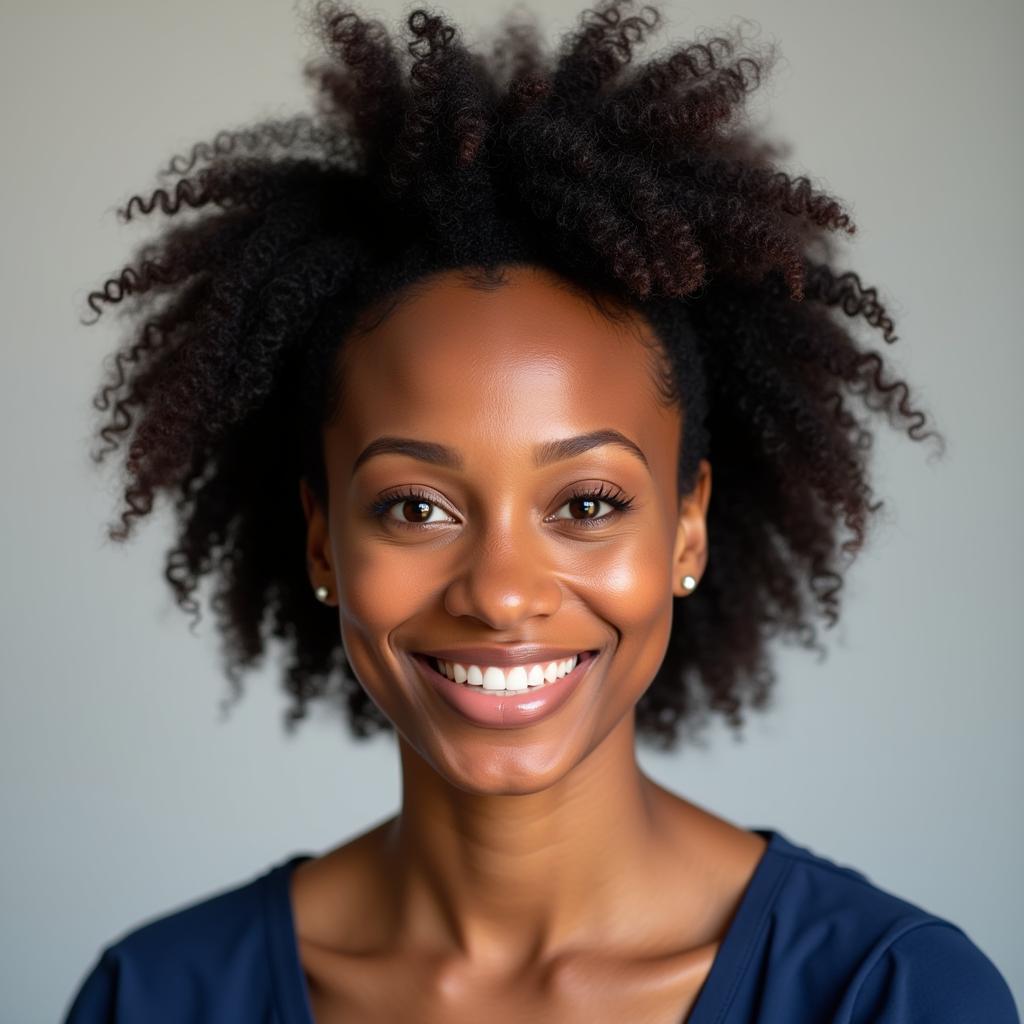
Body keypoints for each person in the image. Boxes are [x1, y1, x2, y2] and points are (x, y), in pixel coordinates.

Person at [62, 1, 1019, 1021]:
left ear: (686, 528)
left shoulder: (892, 994)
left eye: (589, 501)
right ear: (322, 539)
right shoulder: (158, 994)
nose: (502, 591)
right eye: (415, 507)